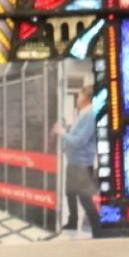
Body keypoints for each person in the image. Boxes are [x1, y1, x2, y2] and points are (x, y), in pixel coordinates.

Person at [53, 84, 100, 236]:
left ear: (86, 98)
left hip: (81, 164)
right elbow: (77, 133)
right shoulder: (83, 114)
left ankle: (98, 230)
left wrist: (62, 133)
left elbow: (79, 140)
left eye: (79, 96)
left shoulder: (90, 115)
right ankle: (72, 222)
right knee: (70, 192)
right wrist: (67, 130)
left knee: (85, 198)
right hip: (74, 163)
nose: (77, 99)